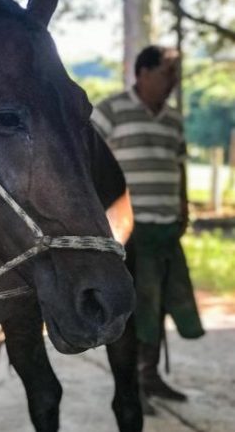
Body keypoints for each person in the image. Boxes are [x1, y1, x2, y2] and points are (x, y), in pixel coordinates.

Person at [91, 45, 205, 404]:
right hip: (128, 233)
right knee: (136, 307)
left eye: (175, 74)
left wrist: (183, 211)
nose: (173, 81)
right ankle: (132, 385)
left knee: (160, 307)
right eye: (166, 73)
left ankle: (149, 376)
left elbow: (180, 166)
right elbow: (88, 162)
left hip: (166, 229)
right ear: (142, 73)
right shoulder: (110, 111)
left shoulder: (173, 118)